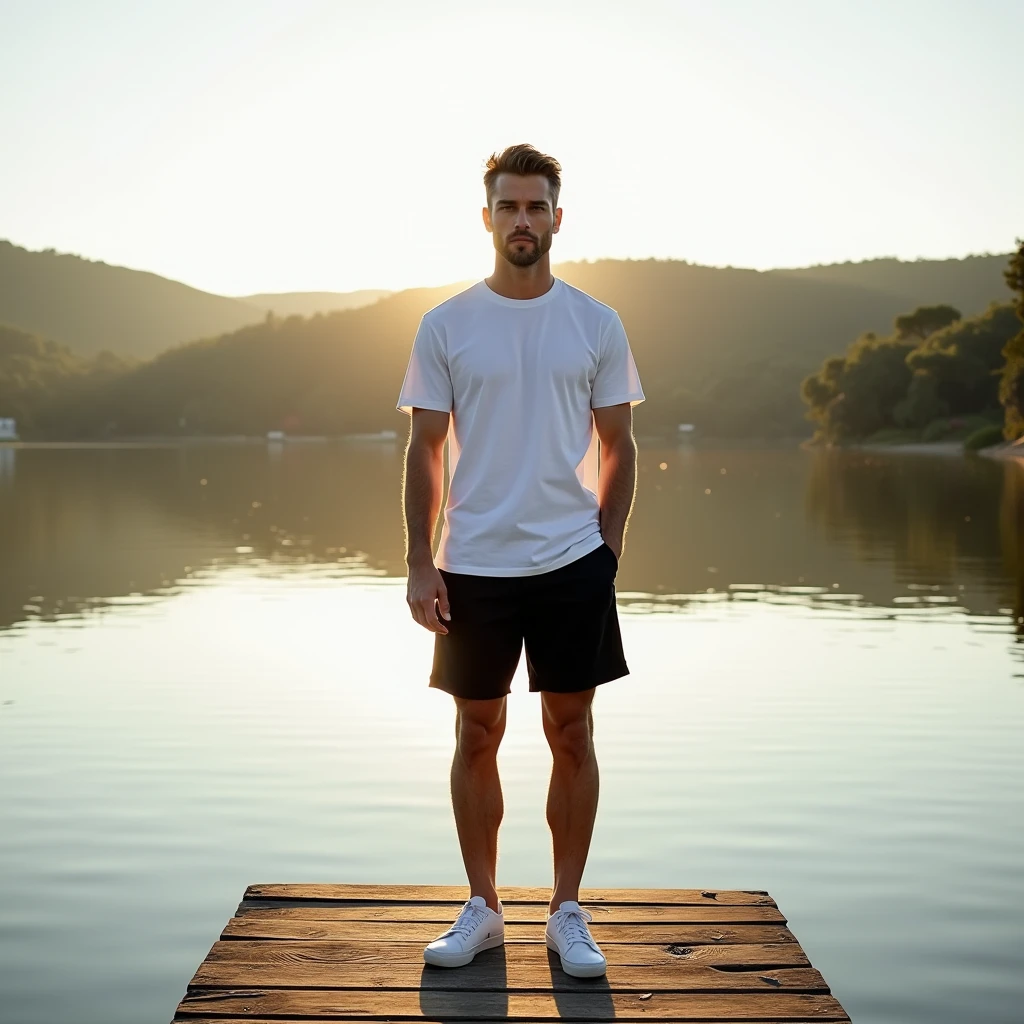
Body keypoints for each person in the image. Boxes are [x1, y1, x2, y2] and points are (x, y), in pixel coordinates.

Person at [395, 143, 645, 979]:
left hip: (573, 561)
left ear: (558, 218)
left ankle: (566, 911)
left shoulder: (596, 323)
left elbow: (621, 445)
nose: (524, 221)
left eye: (538, 207)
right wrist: (419, 562)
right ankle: (484, 908)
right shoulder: (447, 324)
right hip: (471, 564)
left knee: (571, 732)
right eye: (510, 207)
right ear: (488, 217)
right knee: (476, 730)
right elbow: (425, 451)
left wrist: (605, 549)